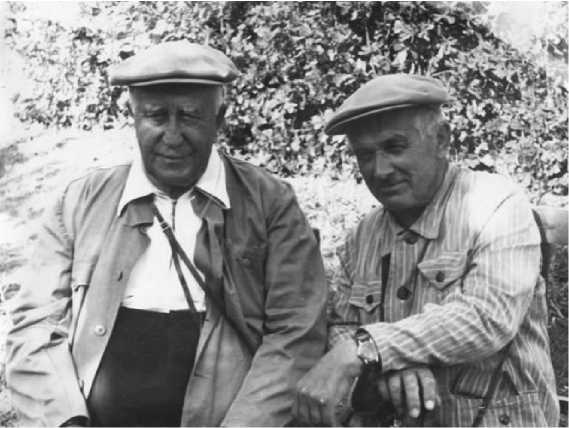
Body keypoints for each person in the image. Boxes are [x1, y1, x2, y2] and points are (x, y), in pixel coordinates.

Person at [6, 41, 328, 427]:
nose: (173, 136)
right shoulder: (80, 201)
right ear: (132, 117)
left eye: (190, 116)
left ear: (220, 119)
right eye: (156, 116)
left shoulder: (270, 203)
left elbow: (296, 332)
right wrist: (65, 420)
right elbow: (35, 326)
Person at [293, 73, 559, 426]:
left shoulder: (495, 205)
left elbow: (488, 317)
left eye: (395, 147)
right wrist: (385, 363)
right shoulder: (361, 237)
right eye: (365, 155)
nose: (380, 170)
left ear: (441, 139)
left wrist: (369, 348)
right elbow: (341, 325)